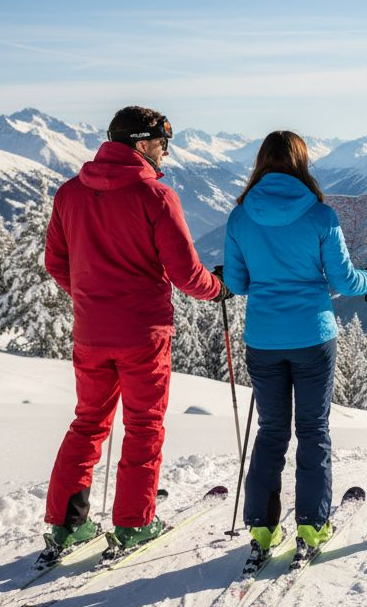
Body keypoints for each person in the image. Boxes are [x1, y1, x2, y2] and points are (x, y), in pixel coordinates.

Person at [41, 105, 229, 559]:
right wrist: (217, 289)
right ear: (142, 143)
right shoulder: (155, 196)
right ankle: (134, 523)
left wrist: (91, 296)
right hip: (144, 334)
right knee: (143, 426)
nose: (165, 153)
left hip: (90, 333)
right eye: (163, 144)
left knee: (88, 423)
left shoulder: (69, 193)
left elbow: (55, 262)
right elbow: (185, 273)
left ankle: (68, 526)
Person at [221, 130, 367, 560]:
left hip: (263, 339)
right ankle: (312, 529)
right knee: (313, 431)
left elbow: (236, 284)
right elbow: (345, 282)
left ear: (261, 162)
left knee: (271, 431)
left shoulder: (240, 217)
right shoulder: (320, 216)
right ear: (301, 163)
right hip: (313, 337)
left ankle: (261, 529)